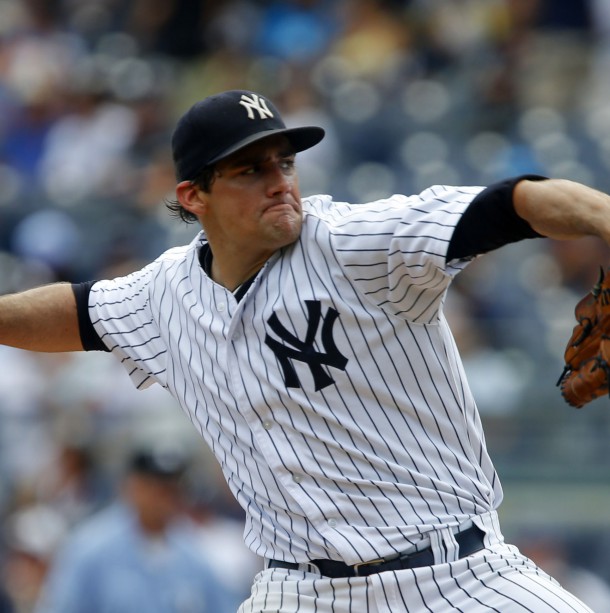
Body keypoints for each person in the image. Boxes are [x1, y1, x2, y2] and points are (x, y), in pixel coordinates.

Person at [1, 88, 607, 612]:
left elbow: (514, 203)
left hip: (459, 577)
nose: (278, 182)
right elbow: (75, 311)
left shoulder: (355, 244)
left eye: (284, 162)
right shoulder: (163, 296)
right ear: (193, 196)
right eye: (249, 170)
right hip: (302, 592)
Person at [34, 444, 233, 613]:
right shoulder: (90, 547)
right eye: (157, 488)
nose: (167, 498)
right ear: (132, 487)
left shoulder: (192, 552)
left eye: (174, 489)